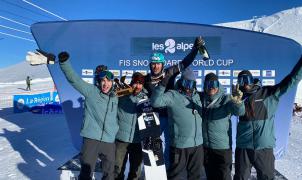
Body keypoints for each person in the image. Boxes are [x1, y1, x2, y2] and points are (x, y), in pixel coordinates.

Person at [234, 55, 302, 180]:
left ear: (252, 80)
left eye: (247, 80)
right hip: (244, 147)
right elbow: (235, 112)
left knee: (266, 177)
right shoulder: (237, 97)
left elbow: (292, 79)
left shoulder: (268, 93)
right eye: (241, 81)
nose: (245, 84)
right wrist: (237, 101)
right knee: (240, 177)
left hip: (263, 147)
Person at [144, 36, 205, 167]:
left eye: (158, 63)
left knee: (168, 144)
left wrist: (195, 49)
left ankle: (167, 169)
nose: (156, 66)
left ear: (162, 64)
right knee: (151, 148)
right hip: (153, 117)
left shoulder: (169, 72)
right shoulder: (146, 79)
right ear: (150, 65)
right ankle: (154, 172)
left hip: (169, 116)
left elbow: (185, 63)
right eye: (153, 63)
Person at [57, 51, 119, 180]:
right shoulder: (91, 91)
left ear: (112, 82)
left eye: (108, 81)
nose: (105, 84)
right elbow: (74, 79)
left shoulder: (116, 97)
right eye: (102, 81)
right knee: (86, 173)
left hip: (109, 141)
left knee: (109, 174)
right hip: (91, 139)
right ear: (98, 81)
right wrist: (64, 63)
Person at [150, 67, 204, 180]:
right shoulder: (173, 95)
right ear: (180, 82)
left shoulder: (197, 96)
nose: (187, 87)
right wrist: (162, 85)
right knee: (176, 176)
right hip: (180, 146)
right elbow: (155, 102)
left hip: (197, 146)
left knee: (196, 176)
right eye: (185, 83)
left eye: (191, 84)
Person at [199, 73, 245, 180]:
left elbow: (240, 112)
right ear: (204, 85)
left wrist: (238, 102)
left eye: (214, 84)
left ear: (218, 85)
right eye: (208, 84)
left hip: (222, 149)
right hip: (206, 149)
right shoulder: (201, 99)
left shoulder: (226, 99)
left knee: (224, 177)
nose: (211, 87)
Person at [114, 72, 147, 180]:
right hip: (121, 139)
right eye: (135, 83)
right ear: (131, 83)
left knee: (135, 172)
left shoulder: (147, 98)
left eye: (140, 83)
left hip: (137, 140)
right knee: (117, 170)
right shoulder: (122, 95)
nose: (137, 86)